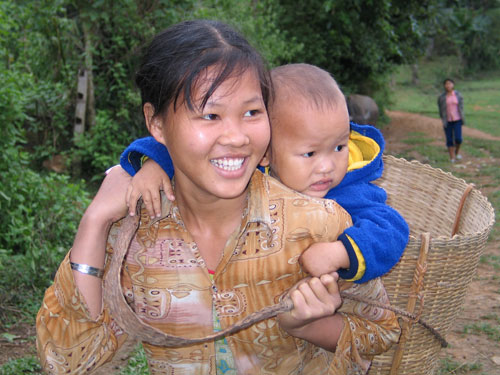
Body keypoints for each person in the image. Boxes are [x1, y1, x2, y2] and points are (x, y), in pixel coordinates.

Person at [36, 21, 399, 375]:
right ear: (156, 123)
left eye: (252, 113)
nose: (237, 136)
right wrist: (95, 220)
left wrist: (306, 326)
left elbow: (381, 332)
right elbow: (68, 364)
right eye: (210, 115)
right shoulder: (134, 234)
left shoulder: (319, 222)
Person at [121, 64, 409, 284]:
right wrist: (153, 164)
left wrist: (340, 253)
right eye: (309, 154)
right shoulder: (255, 171)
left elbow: (391, 229)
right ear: (266, 152)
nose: (327, 166)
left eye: (338, 147)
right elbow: (192, 153)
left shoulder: (350, 187)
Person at [438, 78, 465, 163]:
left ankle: (456, 152)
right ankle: (452, 157)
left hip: (457, 119)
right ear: (444, 86)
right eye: (446, 84)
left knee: (458, 139)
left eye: (450, 83)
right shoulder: (442, 97)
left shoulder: (458, 95)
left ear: (453, 85)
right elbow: (440, 109)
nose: (448, 85)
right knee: (449, 139)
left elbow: (461, 106)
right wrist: (443, 119)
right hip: (447, 121)